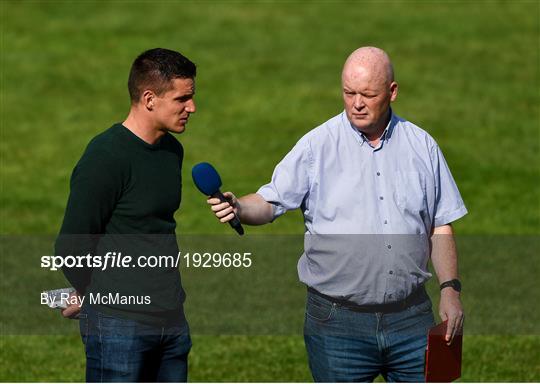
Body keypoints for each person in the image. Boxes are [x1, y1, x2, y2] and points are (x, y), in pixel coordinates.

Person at [207, 46, 466, 382]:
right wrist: (239, 207)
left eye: (368, 94)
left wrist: (450, 289)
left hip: (411, 318)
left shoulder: (422, 146)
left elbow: (439, 225)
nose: (356, 103)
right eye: (348, 93)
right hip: (337, 323)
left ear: (392, 92)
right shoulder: (317, 146)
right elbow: (271, 201)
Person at [55, 48, 196, 382]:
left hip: (172, 320)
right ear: (149, 99)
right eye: (182, 99)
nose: (192, 107)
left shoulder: (171, 151)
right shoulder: (105, 157)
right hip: (118, 326)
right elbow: (71, 246)